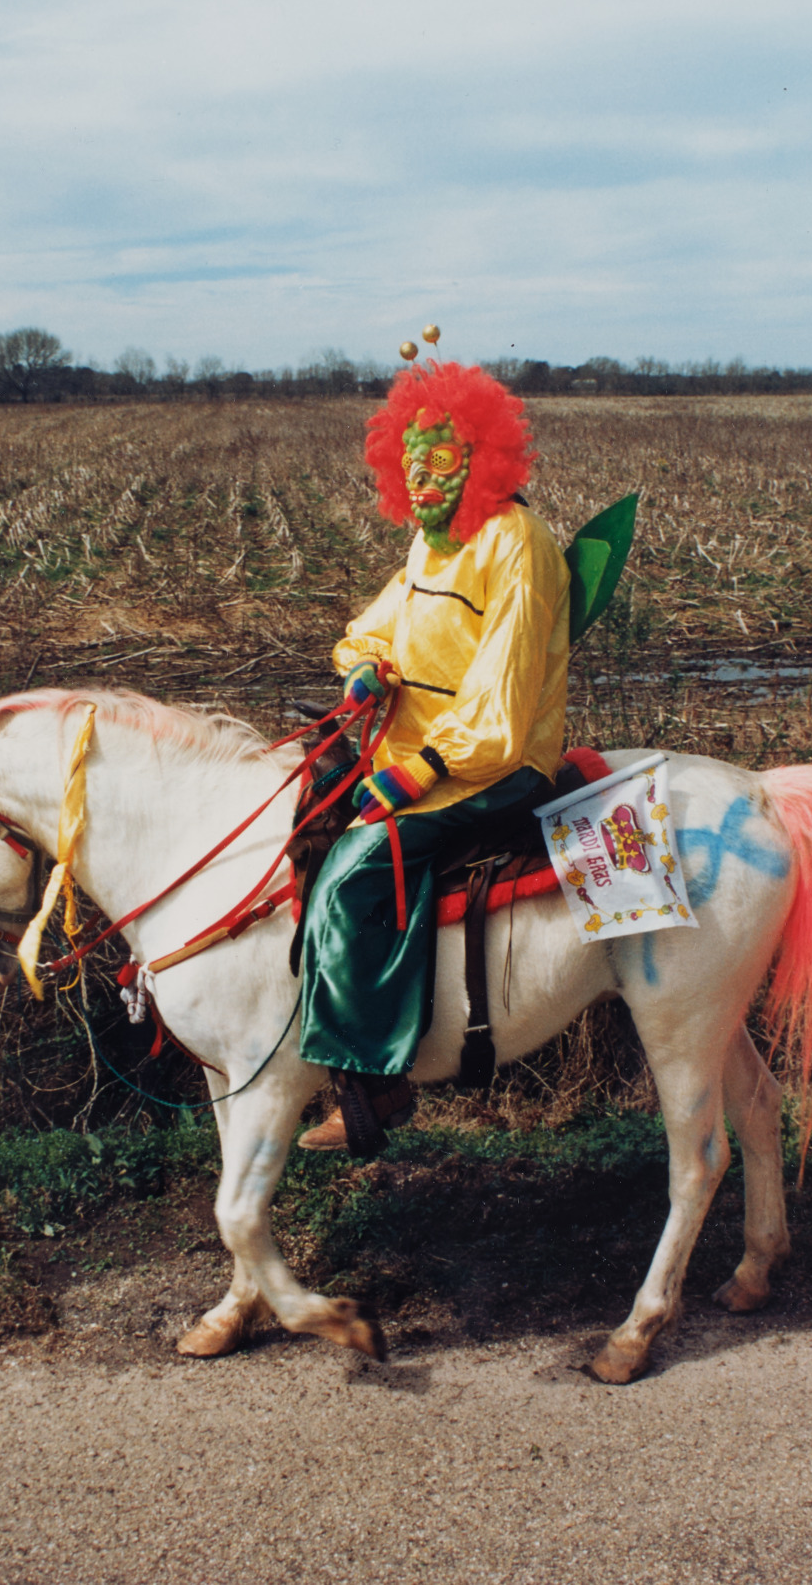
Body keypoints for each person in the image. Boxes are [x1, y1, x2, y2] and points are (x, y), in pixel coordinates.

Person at [296, 359, 570, 1152]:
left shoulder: (516, 544)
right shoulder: (431, 543)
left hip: (490, 765)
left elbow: (501, 702)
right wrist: (364, 666)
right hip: (415, 747)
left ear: (483, 459)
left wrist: (421, 770)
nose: (420, 480)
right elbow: (377, 627)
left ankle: (374, 1088)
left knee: (353, 873)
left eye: (440, 461)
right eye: (410, 463)